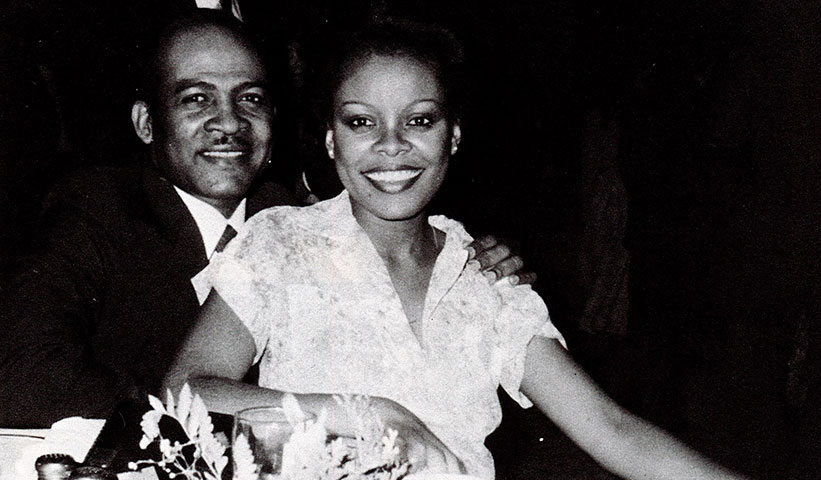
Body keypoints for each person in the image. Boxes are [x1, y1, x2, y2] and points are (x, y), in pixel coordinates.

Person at [164, 19, 751, 480]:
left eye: (419, 120)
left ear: (454, 137)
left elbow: (612, 429)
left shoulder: (486, 279)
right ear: (330, 141)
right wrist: (373, 414)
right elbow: (186, 389)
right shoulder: (280, 243)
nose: (392, 147)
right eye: (362, 122)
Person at [0, 10, 525, 428]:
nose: (228, 122)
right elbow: (20, 374)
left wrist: (483, 269)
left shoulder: (297, 220)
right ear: (145, 122)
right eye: (196, 98)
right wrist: (197, 413)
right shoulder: (97, 209)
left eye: (250, 98)